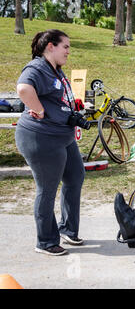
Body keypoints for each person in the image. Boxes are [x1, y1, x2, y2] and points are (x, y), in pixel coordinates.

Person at [15, 29, 85, 256]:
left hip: (62, 137)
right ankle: (45, 241)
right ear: (50, 46)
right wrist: (39, 109)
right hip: (41, 138)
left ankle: (67, 229)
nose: (68, 51)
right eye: (65, 46)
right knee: (47, 189)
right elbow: (23, 88)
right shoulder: (37, 68)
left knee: (75, 177)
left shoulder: (57, 70)